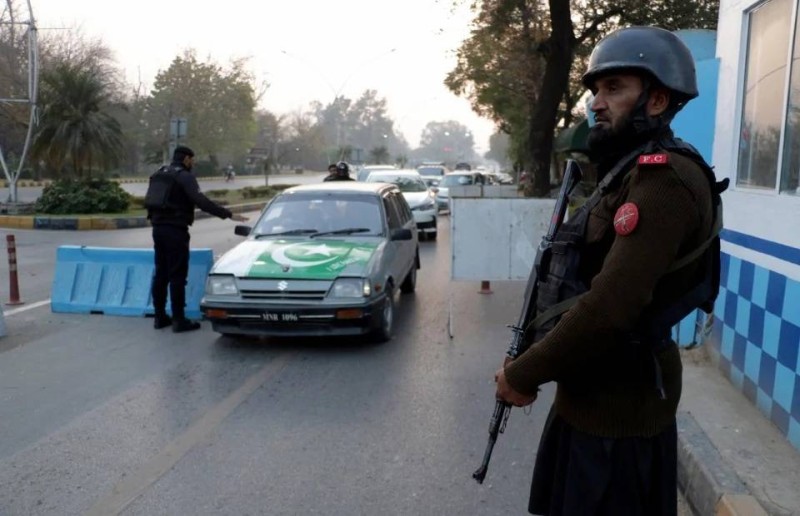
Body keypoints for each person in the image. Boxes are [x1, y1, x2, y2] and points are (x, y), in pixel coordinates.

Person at [493, 26, 726, 515]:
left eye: (614, 88)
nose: (596, 104)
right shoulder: (626, 172)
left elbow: (609, 306)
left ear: (657, 100)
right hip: (589, 402)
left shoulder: (664, 180)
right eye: (596, 90)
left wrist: (525, 373)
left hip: (618, 423)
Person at [148, 146, 248, 333]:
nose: (193, 163)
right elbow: (201, 202)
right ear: (186, 159)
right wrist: (228, 214)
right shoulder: (184, 176)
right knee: (177, 275)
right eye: (192, 159)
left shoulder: (159, 173)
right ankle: (179, 320)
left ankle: (159, 317)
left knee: (161, 274)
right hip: (176, 230)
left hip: (157, 229)